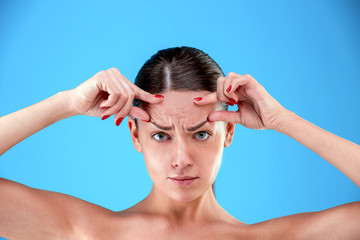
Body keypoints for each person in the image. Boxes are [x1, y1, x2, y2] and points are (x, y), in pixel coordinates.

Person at [0, 46, 359, 239]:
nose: (181, 158)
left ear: (229, 132)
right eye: (161, 135)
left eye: (201, 133)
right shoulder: (86, 233)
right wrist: (65, 103)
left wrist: (284, 121)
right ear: (135, 135)